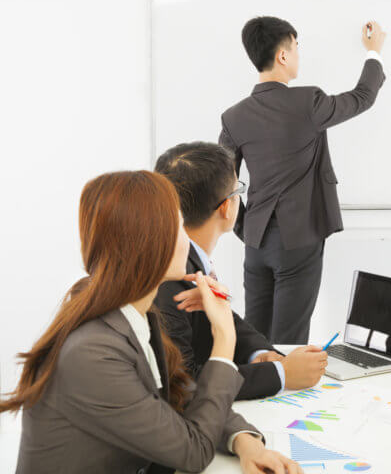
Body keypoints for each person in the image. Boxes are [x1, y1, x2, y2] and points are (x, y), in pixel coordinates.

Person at [1, 171, 300, 474]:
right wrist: (224, 337)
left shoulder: (135, 315)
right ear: (151, 243)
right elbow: (192, 451)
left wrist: (245, 442)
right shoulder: (92, 352)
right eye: (180, 225)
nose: (188, 236)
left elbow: (182, 394)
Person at [219, 16, 387, 343]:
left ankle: (256, 387)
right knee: (289, 343)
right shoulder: (307, 102)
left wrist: (246, 228)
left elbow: (223, 181)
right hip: (298, 241)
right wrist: (374, 52)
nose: (298, 55)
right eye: (296, 47)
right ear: (282, 55)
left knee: (254, 338)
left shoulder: (234, 116)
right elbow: (362, 97)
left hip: (255, 243)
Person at [154, 142, 328, 399]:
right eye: (239, 190)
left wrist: (261, 354)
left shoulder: (190, 257)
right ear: (226, 207)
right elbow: (184, 382)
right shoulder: (169, 276)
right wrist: (281, 374)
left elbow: (220, 316)